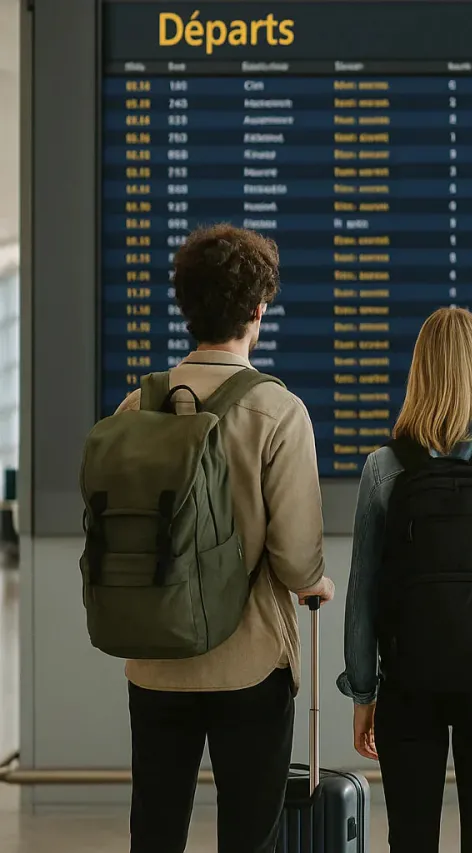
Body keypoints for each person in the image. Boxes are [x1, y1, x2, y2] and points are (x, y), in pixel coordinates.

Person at [117, 224, 334, 853]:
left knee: (154, 831)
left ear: (187, 308)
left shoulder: (135, 407)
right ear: (258, 310)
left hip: (154, 657)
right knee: (250, 835)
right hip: (250, 661)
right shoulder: (278, 412)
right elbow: (296, 561)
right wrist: (315, 582)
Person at [338, 307, 472, 852]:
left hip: (407, 686)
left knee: (411, 840)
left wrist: (364, 692)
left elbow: (363, 597)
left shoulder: (384, 468)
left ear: (420, 373)